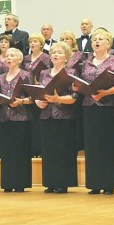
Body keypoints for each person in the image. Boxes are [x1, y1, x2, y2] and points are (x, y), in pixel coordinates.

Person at [76, 28, 114, 195]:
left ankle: (110, 183)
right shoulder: (86, 62)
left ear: (108, 43)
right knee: (93, 145)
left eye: (100, 39)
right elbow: (82, 81)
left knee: (109, 144)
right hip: (90, 106)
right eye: (94, 39)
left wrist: (104, 92)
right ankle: (95, 183)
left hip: (109, 107)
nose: (96, 41)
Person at [35, 42, 79, 194]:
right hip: (46, 115)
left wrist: (57, 99)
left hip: (64, 116)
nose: (55, 54)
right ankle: (51, 182)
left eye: (59, 52)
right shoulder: (44, 73)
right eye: (53, 52)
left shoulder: (71, 72)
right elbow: (39, 92)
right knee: (49, 149)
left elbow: (74, 97)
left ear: (66, 57)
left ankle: (63, 182)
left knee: (63, 149)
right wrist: (38, 102)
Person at [0, 48, 34, 192]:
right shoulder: (1, 77)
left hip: (21, 117)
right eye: (7, 56)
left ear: (20, 59)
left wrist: (21, 101)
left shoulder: (26, 75)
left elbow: (33, 97)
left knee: (20, 150)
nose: (9, 58)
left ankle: (20, 182)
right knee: (7, 151)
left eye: (12, 55)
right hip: (5, 117)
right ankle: (8, 183)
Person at [23, 33, 51, 157]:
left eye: (35, 41)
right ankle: (32, 148)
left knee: (39, 120)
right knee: (30, 121)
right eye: (31, 41)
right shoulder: (26, 58)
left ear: (41, 44)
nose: (32, 44)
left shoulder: (46, 57)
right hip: (28, 91)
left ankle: (40, 149)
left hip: (41, 91)